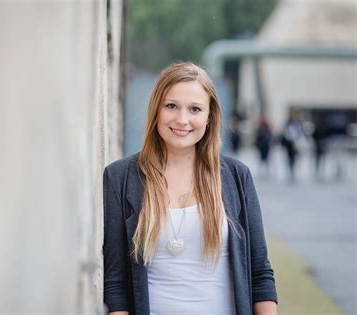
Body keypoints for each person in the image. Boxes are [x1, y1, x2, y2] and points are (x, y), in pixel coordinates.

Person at [103, 62, 277, 315]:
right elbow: (115, 284)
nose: (182, 120)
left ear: (209, 117)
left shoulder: (236, 176)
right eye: (171, 106)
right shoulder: (120, 177)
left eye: (195, 109)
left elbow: (260, 274)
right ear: (156, 110)